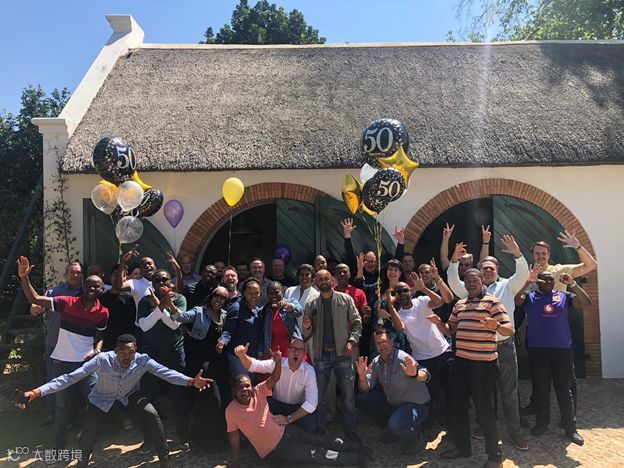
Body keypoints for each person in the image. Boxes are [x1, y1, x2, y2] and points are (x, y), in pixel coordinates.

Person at [17, 334, 212, 467]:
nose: (127, 357)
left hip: (129, 395)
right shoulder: (102, 360)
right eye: (123, 353)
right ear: (116, 350)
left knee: (152, 414)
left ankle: (165, 459)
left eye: (131, 352)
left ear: (136, 349)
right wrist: (36, 392)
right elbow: (69, 378)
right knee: (89, 434)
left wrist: (190, 381)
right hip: (101, 398)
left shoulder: (143, 360)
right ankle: (82, 461)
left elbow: (166, 373)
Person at [17, 256, 108, 452]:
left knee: (96, 402)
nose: (92, 289)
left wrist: (97, 350)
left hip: (86, 366)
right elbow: (35, 299)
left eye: (96, 286)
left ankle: (88, 440)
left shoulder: (103, 312)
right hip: (62, 363)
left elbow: (100, 335)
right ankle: (60, 448)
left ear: (102, 290)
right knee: (61, 407)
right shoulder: (67, 302)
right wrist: (24, 277)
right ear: (83, 287)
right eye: (89, 285)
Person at [447, 235, 529, 451]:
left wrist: (517, 254)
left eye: (492, 268)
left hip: (504, 347)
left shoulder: (508, 286)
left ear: (498, 270)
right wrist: (454, 261)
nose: (488, 271)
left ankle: (515, 433)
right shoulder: (471, 290)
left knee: (509, 392)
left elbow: (523, 274)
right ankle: (484, 427)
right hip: (480, 352)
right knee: (484, 393)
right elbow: (454, 282)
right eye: (484, 268)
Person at [428, 268, 514, 468]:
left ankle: (494, 456)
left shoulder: (492, 302)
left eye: (474, 280)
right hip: (461, 364)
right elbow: (450, 329)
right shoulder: (460, 304)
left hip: (483, 366)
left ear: (482, 282)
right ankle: (462, 448)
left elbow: (509, 330)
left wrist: (496, 326)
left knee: (484, 411)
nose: (470, 283)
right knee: (457, 408)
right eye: (467, 281)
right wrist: (439, 323)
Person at [226, 355, 370, 468]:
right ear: (234, 390)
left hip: (285, 429)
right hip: (276, 449)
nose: (245, 389)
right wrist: (236, 462)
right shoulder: (231, 411)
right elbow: (234, 437)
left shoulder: (258, 391)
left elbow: (275, 378)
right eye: (240, 387)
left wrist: (277, 361)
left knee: (319, 440)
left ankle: (358, 448)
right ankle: (356, 459)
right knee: (314, 453)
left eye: (247, 386)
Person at [518, 271, 591, 446]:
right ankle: (542, 423)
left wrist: (572, 283)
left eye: (551, 279)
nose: (549, 282)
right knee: (541, 390)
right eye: (545, 279)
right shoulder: (530, 296)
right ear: (538, 281)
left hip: (562, 350)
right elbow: (516, 301)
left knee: (564, 390)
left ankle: (570, 428)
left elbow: (586, 302)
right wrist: (528, 282)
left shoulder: (564, 296)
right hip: (538, 350)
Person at [301, 269, 362, 441]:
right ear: (316, 282)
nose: (323, 281)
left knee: (348, 396)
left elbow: (357, 323)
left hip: (343, 355)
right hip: (322, 357)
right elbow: (306, 335)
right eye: (320, 279)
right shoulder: (311, 304)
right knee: (320, 396)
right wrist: (306, 327)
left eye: (326, 278)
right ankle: (321, 429)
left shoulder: (345, 299)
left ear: (332, 280)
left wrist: (352, 341)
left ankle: (350, 429)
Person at [387, 276, 453, 432]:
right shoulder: (399, 314)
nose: (402, 294)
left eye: (405, 290)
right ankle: (436, 421)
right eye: (398, 292)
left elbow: (440, 302)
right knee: (432, 393)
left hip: (442, 351)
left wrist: (423, 288)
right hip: (423, 358)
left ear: (410, 291)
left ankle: (452, 421)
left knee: (449, 389)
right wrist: (390, 305)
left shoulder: (422, 301)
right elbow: (399, 328)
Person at [171, 286, 230, 451]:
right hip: (200, 364)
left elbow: (228, 333)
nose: (219, 300)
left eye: (223, 298)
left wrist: (223, 342)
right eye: (217, 296)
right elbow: (181, 317)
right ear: (211, 297)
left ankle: (217, 439)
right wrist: (169, 304)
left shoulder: (225, 316)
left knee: (222, 400)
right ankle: (201, 440)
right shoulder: (199, 311)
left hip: (218, 362)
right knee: (211, 401)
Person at [136, 269, 191, 447]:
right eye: (157, 280)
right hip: (151, 355)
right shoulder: (145, 302)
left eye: (164, 280)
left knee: (179, 396)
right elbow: (145, 326)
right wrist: (160, 306)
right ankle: (149, 440)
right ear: (152, 284)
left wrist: (159, 306)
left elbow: (174, 325)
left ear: (170, 282)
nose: (161, 283)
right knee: (149, 396)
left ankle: (184, 437)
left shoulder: (180, 299)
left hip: (174, 354)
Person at [355, 328, 431, 453]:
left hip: (417, 406)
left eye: (384, 341)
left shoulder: (403, 358)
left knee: (395, 423)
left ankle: (415, 436)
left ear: (392, 343)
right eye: (378, 343)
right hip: (394, 403)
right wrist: (362, 377)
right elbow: (365, 388)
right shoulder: (376, 362)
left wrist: (415, 374)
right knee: (362, 400)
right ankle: (395, 429)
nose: (381, 345)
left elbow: (426, 374)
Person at [28, 260, 83, 424]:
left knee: (78, 382)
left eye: (78, 272)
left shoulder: (87, 292)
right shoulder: (54, 292)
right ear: (65, 274)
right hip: (55, 344)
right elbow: (36, 307)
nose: (75, 275)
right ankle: (51, 414)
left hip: (78, 347)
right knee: (53, 380)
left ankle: (75, 416)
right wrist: (35, 308)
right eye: (72, 272)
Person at [235, 338, 318, 433]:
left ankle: (287, 428)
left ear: (304, 353)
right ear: (288, 351)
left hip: (296, 407)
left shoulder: (309, 371)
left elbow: (311, 402)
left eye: (300, 350)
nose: (296, 352)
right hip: (277, 405)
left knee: (311, 424)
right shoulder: (278, 363)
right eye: (294, 349)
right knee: (260, 415)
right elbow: (254, 365)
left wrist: (289, 419)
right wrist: (242, 356)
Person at [218, 278, 265, 378]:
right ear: (244, 293)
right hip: (237, 357)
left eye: (256, 293)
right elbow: (227, 331)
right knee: (242, 383)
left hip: (252, 357)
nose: (254, 296)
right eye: (250, 293)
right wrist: (222, 342)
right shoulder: (236, 308)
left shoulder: (257, 309)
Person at [531, 231, 598, 291]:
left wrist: (578, 247)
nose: (540, 256)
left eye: (543, 253)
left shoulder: (561, 270)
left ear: (549, 254)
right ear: (533, 255)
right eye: (537, 253)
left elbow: (591, 265)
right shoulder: (527, 273)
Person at [100, 264, 136, 352]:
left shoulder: (129, 298)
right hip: (104, 343)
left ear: (125, 279)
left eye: (122, 275)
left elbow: (130, 324)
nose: (117, 278)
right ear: (110, 277)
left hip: (123, 345)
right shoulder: (101, 298)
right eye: (115, 274)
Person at [261, 282, 303, 357]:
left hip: (291, 345)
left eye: (276, 292)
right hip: (273, 347)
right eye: (271, 293)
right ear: (267, 294)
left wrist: (288, 307)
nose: (274, 295)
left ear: (282, 292)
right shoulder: (265, 310)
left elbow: (299, 311)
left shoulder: (290, 302)